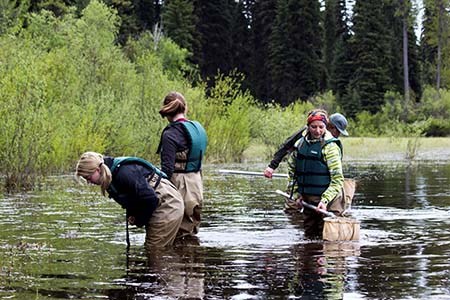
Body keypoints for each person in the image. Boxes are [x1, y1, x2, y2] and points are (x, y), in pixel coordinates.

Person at [75, 152, 184, 249]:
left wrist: (139, 221)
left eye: (88, 178)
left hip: (167, 204)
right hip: (162, 202)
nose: (89, 182)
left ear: (97, 170)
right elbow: (136, 196)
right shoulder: (111, 173)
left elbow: (150, 199)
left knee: (154, 250)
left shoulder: (123, 173)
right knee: (166, 248)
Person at [287, 110, 345, 239]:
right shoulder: (300, 144)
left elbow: (337, 179)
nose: (317, 131)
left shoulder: (330, 147)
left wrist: (324, 200)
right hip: (307, 198)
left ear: (326, 127)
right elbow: (292, 171)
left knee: (326, 238)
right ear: (308, 127)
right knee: (310, 236)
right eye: (313, 127)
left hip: (327, 199)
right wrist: (297, 194)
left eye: (321, 127)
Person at [157, 92, 207, 238]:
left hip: (180, 185)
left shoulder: (170, 134)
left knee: (178, 233)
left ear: (167, 111)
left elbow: (167, 169)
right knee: (192, 229)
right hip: (197, 183)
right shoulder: (197, 129)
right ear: (185, 108)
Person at [264, 112, 349, 179]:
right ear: (330, 126)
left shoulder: (332, 144)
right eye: (338, 131)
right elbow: (286, 146)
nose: (338, 135)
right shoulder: (306, 133)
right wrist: (272, 166)